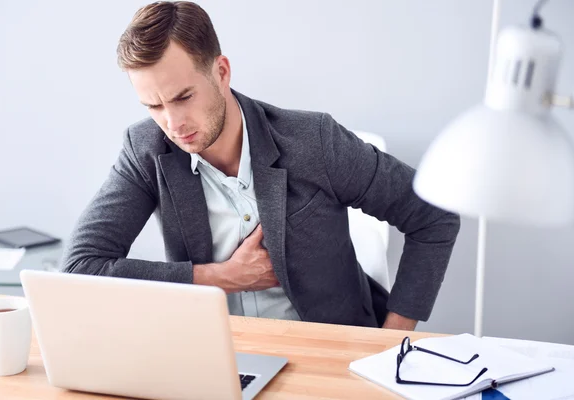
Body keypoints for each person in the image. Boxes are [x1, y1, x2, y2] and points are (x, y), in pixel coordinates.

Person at [62, 1, 460, 330]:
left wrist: (391, 342)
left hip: (328, 357)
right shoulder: (146, 150)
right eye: (153, 106)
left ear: (221, 72)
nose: (172, 123)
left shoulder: (313, 140)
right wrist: (218, 278)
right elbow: (81, 267)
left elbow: (432, 214)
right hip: (217, 359)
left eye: (183, 96)